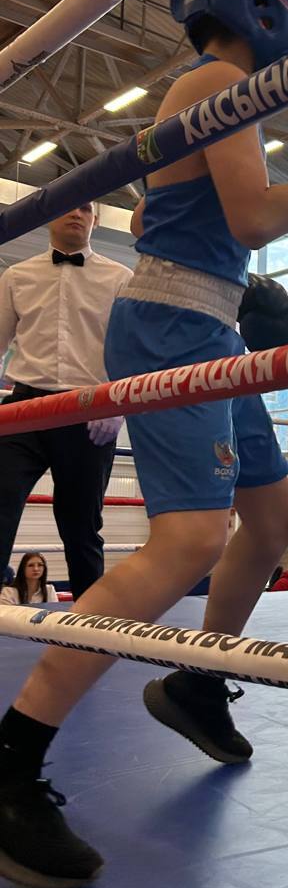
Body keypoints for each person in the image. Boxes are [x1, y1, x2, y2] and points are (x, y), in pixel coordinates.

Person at [0, 0, 288, 888]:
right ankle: (13, 758)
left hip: (206, 325)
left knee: (271, 520)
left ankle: (197, 678)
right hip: (173, 327)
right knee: (190, 538)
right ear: (269, 13)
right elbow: (251, 218)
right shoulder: (215, 85)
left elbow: (190, 225)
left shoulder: (211, 91)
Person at [0, 202, 131, 599]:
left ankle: (91, 621)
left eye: (85, 208)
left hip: (90, 408)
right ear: (49, 216)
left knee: (81, 526)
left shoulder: (120, 277)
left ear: (96, 220)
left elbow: (131, 350)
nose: (76, 213)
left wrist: (118, 405)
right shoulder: (16, 275)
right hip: (23, 408)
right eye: (68, 206)